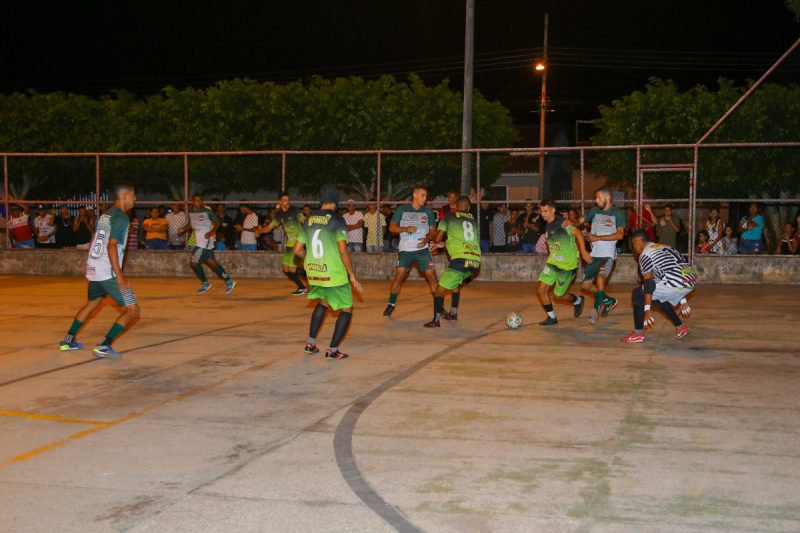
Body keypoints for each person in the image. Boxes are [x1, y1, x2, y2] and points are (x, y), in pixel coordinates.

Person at [59, 182, 141, 357]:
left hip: (94, 269)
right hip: (107, 272)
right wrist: (119, 277)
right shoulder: (122, 217)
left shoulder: (107, 214)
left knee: (91, 304)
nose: (135, 199)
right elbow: (112, 247)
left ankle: (67, 340)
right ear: (123, 196)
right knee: (133, 310)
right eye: (133, 195)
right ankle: (105, 345)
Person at [294, 186, 363, 360]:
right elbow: (342, 250)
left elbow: (297, 250)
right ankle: (333, 350)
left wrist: (309, 260)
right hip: (333, 272)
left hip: (314, 271)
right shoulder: (338, 220)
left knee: (323, 303)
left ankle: (310, 343)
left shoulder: (309, 220)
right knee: (346, 309)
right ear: (334, 201)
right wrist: (352, 274)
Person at [622, 230, 696, 343]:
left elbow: (648, 283)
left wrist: (647, 310)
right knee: (656, 297)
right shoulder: (663, 247)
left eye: (633, 244)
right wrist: (683, 299)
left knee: (638, 294)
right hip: (690, 279)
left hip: (676, 281)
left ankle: (638, 333)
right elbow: (674, 269)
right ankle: (681, 328)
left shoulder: (645, 254)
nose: (633, 248)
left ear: (638, 241)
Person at [425, 195, 481, 328]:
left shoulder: (449, 217)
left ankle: (436, 320)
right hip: (475, 262)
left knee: (439, 289)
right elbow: (464, 240)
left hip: (460, 260)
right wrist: (444, 245)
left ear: (455, 206)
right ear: (468, 207)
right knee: (456, 283)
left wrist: (429, 234)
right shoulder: (473, 220)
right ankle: (454, 313)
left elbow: (437, 238)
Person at [384, 185, 438, 317]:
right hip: (406, 250)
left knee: (432, 276)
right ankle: (391, 304)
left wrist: (427, 238)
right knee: (399, 275)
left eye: (426, 196)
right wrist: (406, 229)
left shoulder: (428, 212)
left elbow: (433, 232)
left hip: (422, 250)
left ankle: (439, 306)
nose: (425, 198)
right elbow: (391, 228)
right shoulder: (402, 210)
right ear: (415, 195)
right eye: (423, 195)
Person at [536, 199, 592, 326]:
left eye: (545, 211)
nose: (543, 214)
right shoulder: (548, 225)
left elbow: (578, 233)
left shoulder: (563, 223)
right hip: (553, 262)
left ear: (553, 210)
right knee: (540, 289)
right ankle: (551, 317)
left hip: (567, 266)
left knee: (558, 296)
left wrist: (583, 252)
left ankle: (578, 300)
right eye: (541, 211)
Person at [579, 188, 627, 324]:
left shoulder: (618, 213)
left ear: (608, 198)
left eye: (599, 197)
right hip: (594, 255)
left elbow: (620, 234)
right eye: (596, 197)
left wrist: (597, 237)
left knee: (600, 279)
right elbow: (581, 220)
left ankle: (595, 309)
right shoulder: (594, 211)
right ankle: (609, 300)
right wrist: (568, 224)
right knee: (585, 286)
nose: (596, 200)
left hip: (608, 255)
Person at [182, 194, 236, 295]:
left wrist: (211, 232)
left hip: (205, 240)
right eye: (195, 200)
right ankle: (229, 281)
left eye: (199, 200)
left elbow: (218, 222)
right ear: (192, 201)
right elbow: (191, 224)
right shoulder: (191, 211)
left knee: (193, 262)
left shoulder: (207, 211)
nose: (197, 202)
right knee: (212, 263)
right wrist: (183, 229)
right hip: (199, 240)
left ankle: (205, 283)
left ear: (201, 202)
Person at [256, 192, 308, 295]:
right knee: (285, 269)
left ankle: (307, 285)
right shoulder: (279, 215)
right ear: (280, 202)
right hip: (290, 244)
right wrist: (259, 231)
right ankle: (302, 287)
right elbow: (269, 228)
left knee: (293, 269)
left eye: (288, 200)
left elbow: (306, 222)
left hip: (298, 242)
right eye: (284, 200)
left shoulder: (295, 211)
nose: (287, 202)